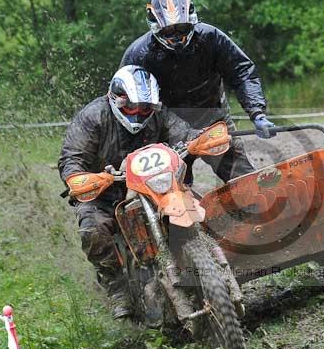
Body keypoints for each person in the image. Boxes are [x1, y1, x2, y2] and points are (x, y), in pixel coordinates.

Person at [58, 65, 227, 319]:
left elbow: (182, 132)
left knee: (198, 201)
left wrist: (198, 140)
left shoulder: (160, 114)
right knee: (92, 230)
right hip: (103, 191)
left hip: (155, 184)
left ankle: (216, 255)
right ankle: (117, 288)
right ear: (116, 100)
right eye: (132, 108)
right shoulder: (94, 117)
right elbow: (72, 157)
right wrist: (78, 177)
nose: (138, 113)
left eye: (145, 109)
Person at [119, 0, 275, 185]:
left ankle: (258, 209)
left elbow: (242, 71)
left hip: (212, 117)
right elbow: (123, 97)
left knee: (241, 177)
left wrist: (257, 112)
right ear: (155, 27)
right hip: (166, 128)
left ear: (192, 21)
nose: (176, 36)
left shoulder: (212, 37)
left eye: (181, 28)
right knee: (171, 188)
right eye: (169, 30)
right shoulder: (139, 54)